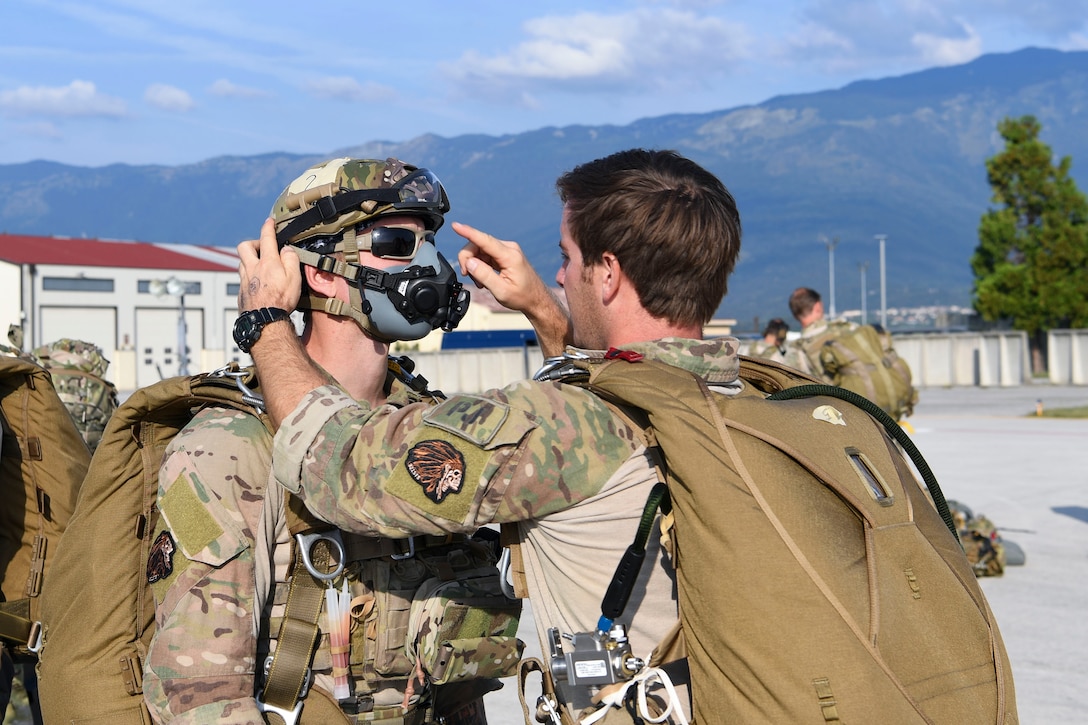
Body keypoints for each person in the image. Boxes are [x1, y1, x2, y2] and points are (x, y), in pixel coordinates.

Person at [237, 148, 743, 723]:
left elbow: (339, 464)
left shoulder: (561, 425)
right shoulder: (757, 398)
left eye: (566, 257)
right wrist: (549, 320)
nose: (555, 276)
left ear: (607, 274)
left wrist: (264, 324)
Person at [142, 157, 493, 725]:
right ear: (322, 273)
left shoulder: (425, 430)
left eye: (428, 241)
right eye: (395, 243)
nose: (427, 262)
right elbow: (198, 697)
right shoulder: (225, 446)